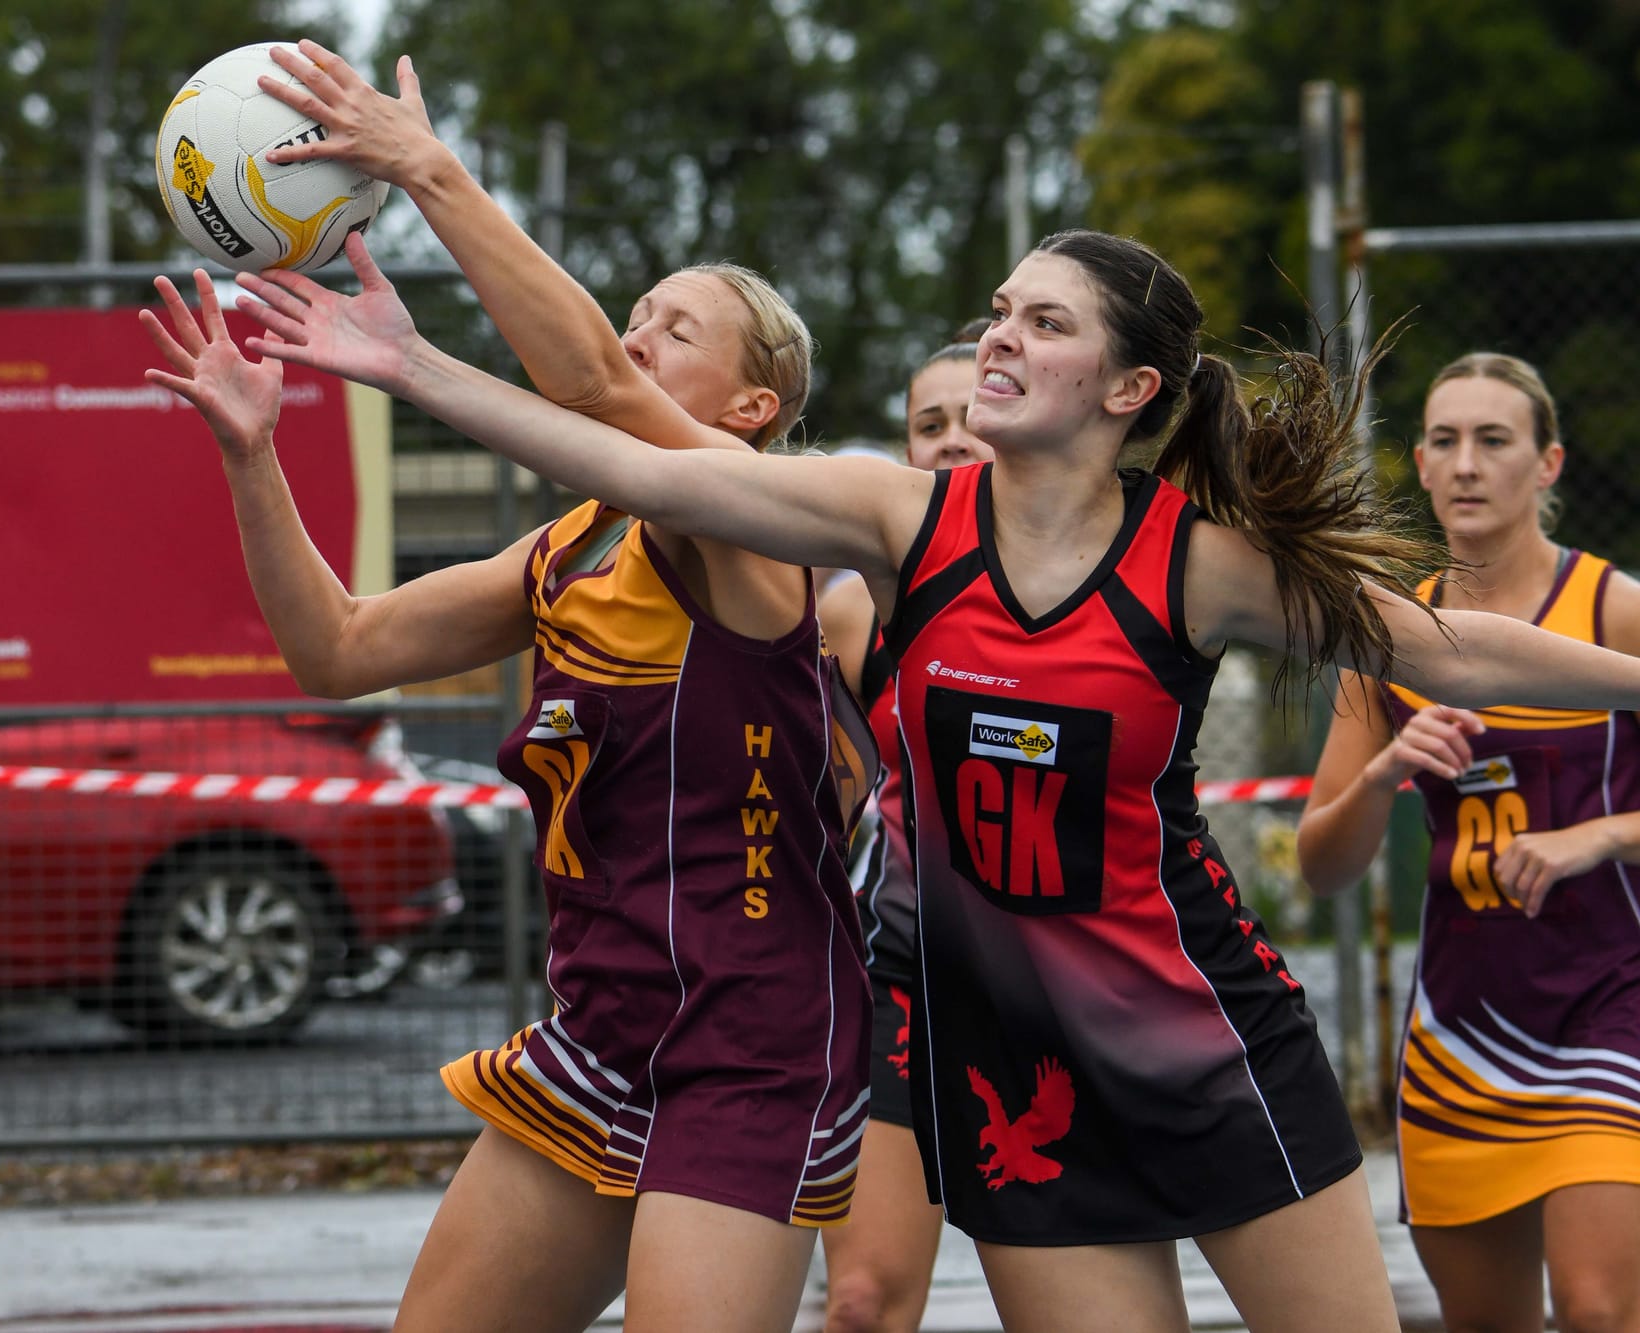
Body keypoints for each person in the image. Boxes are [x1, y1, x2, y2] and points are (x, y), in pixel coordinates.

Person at [228, 212, 1640, 1331]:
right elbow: (646, 465)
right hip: (1011, 1071)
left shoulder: (1191, 561)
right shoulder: (899, 523)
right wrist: (415, 370)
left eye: (1046, 321)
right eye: (1001, 313)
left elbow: (1448, 649)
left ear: (1131, 386)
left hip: (1205, 1039)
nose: (1003, 337)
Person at [142, 56, 882, 1331]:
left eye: (672, 327)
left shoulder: (771, 539)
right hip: (600, 1037)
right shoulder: (568, 550)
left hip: (752, 1048)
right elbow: (339, 649)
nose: (634, 330)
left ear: (753, 408)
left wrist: (424, 168)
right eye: (634, 310)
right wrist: (252, 454)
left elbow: (590, 378)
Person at [1296, 352, 1640, 1333]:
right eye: (1442, 441)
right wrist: (1380, 771)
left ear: (1546, 465)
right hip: (1460, 1034)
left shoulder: (1609, 611)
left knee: (1592, 1306)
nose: (1463, 464)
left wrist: (1599, 836)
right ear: (1416, 462)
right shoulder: (1392, 638)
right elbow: (1323, 866)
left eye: (1493, 440)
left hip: (1605, 1009)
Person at [816, 323, 990, 1333]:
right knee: (863, 1301)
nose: (955, 438)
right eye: (930, 424)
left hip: (1071, 984)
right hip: (902, 971)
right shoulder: (852, 613)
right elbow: (822, 805)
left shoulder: (1103, 587)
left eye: (973, 415)